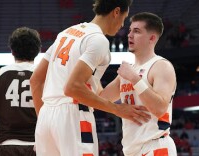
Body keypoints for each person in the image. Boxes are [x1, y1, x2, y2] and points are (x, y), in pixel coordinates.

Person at [30, 0, 150, 155]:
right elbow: (72, 87)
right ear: (116, 12)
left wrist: (123, 81)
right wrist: (117, 109)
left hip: (45, 116)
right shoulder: (98, 40)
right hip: (73, 114)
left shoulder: (66, 33)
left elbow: (35, 80)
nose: (122, 25)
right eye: (124, 18)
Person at [100, 12, 177, 155]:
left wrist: (135, 79)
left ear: (152, 38)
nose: (129, 35)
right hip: (131, 149)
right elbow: (100, 99)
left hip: (156, 147)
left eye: (136, 31)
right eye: (130, 30)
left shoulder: (161, 66)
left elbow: (160, 108)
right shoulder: (127, 70)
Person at [0, 27, 41, 156]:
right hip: (38, 146)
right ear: (38, 50)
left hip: (6, 147)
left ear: (12, 51)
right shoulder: (45, 75)